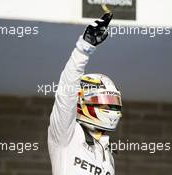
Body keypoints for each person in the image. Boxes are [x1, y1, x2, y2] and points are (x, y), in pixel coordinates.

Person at [48, 13, 123, 175]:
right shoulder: (66, 134)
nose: (111, 109)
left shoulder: (107, 153)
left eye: (113, 103)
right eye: (104, 102)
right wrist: (84, 48)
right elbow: (66, 93)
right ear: (82, 102)